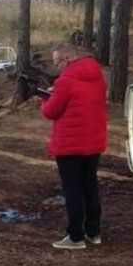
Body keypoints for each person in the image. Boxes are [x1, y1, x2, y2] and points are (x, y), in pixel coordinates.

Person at [41, 42, 108, 250]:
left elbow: (51, 111)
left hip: (70, 143)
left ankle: (75, 236)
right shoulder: (97, 76)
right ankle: (93, 231)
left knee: (72, 189)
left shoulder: (65, 81)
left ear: (66, 59)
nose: (57, 67)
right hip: (93, 140)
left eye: (57, 62)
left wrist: (46, 99)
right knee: (90, 185)